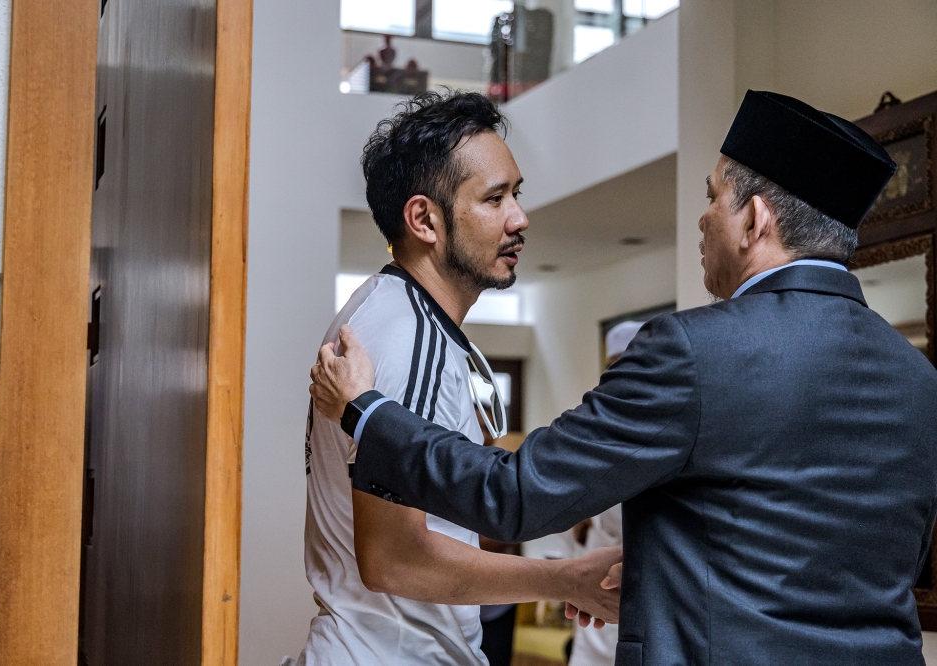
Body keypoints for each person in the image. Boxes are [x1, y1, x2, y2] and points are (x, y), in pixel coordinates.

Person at [310, 90, 937, 665]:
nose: (702, 218)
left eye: (713, 196)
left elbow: (516, 494)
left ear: (755, 221)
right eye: (497, 197)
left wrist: (364, 411)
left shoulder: (695, 351)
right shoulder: (917, 378)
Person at [298, 90, 621, 666]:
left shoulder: (394, 313)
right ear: (425, 218)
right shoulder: (406, 333)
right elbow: (393, 558)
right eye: (494, 198)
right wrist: (565, 580)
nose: (519, 218)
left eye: (516, 194)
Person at [567, 320, 643, 666]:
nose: (620, 370)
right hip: (600, 552)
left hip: (643, 561)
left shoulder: (666, 409)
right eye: (613, 363)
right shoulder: (601, 410)